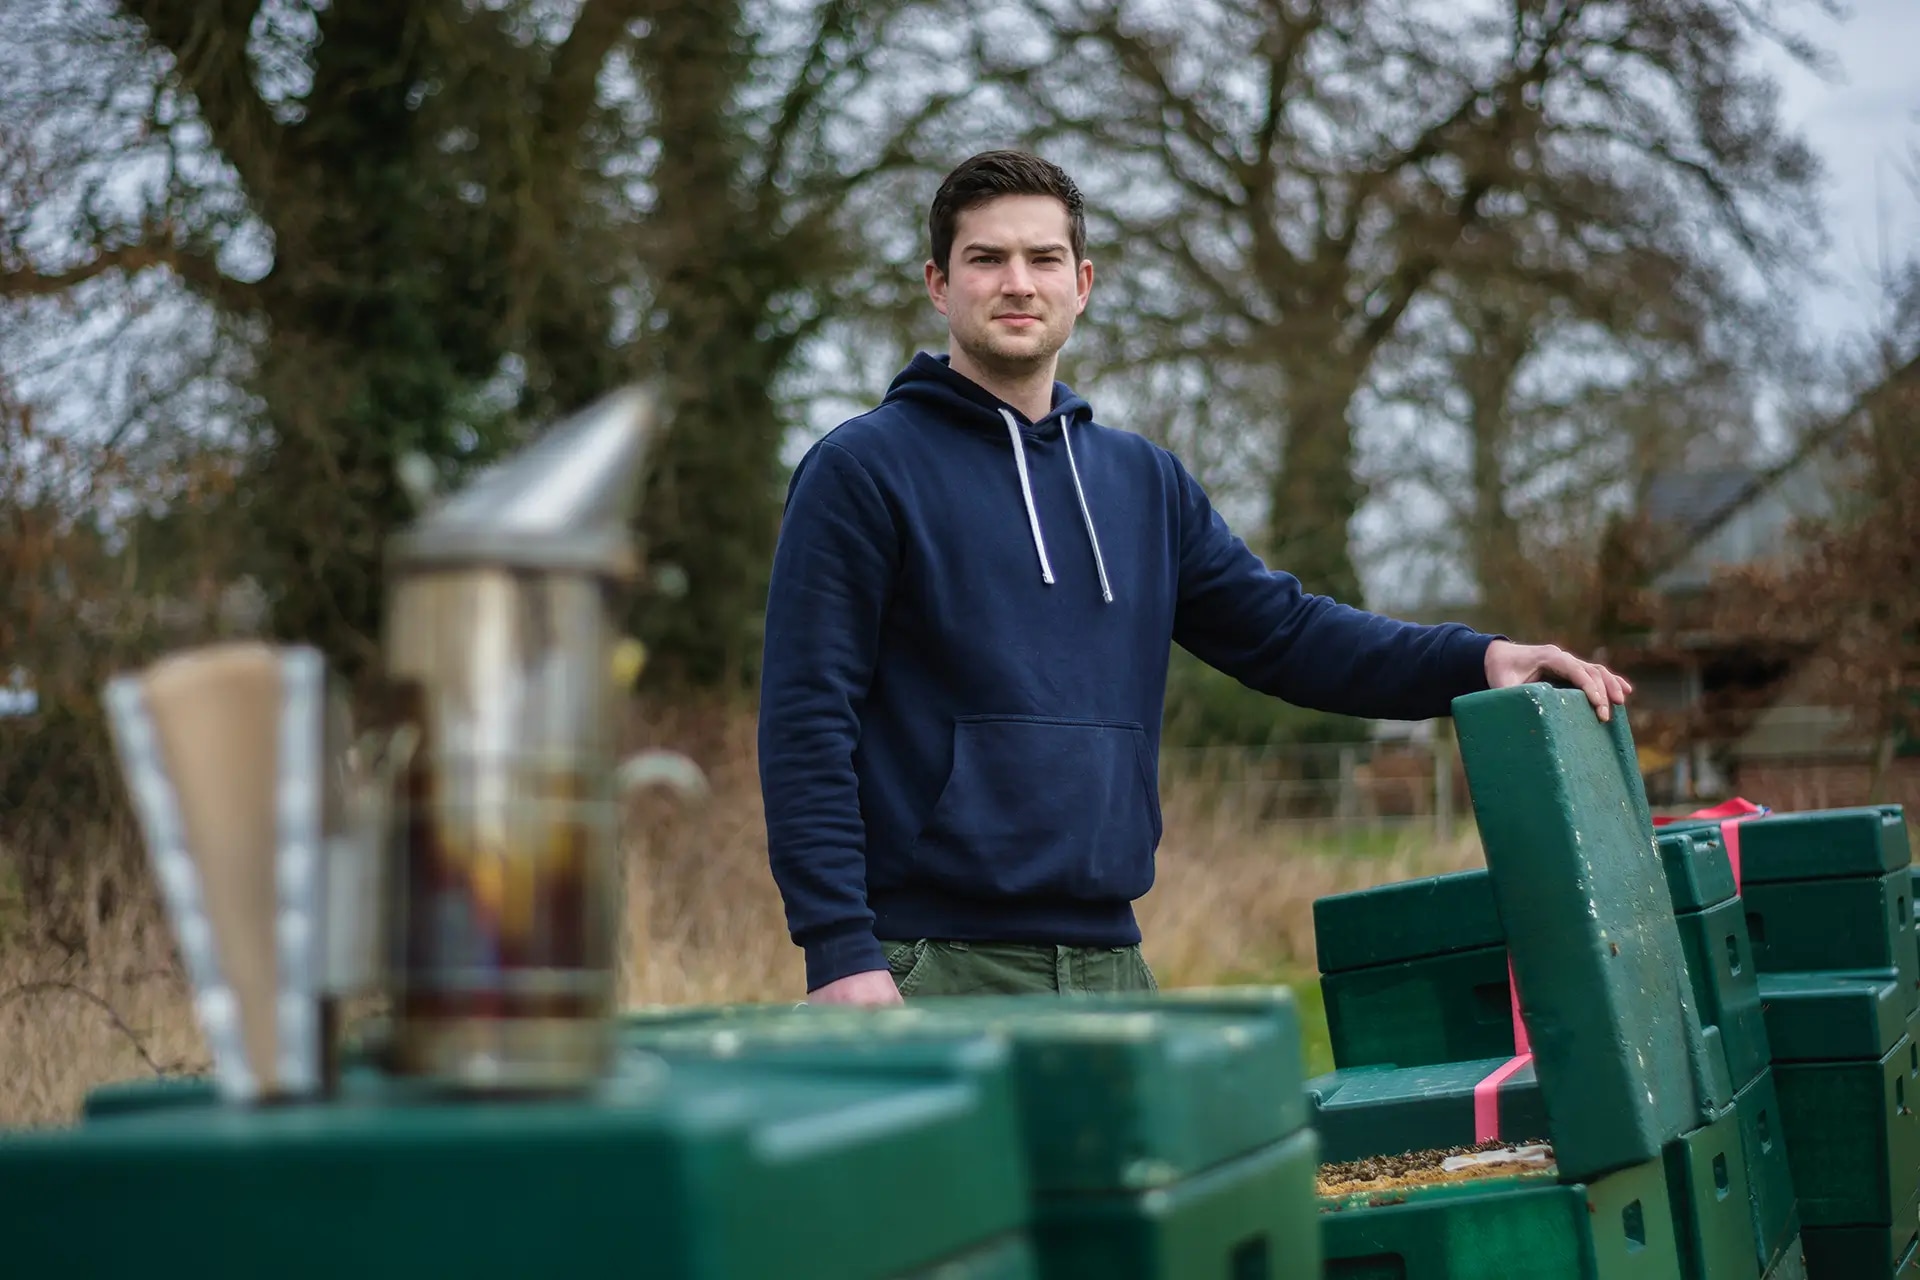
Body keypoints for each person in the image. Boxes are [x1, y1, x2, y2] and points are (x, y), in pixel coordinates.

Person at [756, 150, 1633, 1006]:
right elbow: (807, 717)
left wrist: (1479, 661)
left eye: (1043, 259)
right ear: (939, 285)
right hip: (933, 969)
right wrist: (838, 947)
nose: (1018, 283)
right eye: (986, 259)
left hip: (1112, 966)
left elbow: (1286, 635)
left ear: (1082, 284)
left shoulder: (1143, 483)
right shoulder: (862, 471)